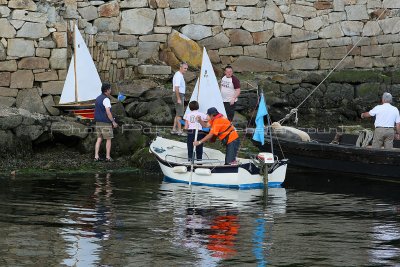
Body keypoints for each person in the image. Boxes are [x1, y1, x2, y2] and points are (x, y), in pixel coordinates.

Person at [94, 82, 118, 161]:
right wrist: (113, 122)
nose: (110, 90)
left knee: (99, 139)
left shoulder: (97, 98)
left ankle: (96, 156)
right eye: (110, 89)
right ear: (107, 90)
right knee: (108, 139)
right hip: (105, 123)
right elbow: (108, 112)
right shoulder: (106, 99)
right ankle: (108, 157)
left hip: (98, 122)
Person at [172, 62, 188, 136]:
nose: (186, 70)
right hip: (178, 95)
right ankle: (179, 131)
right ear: (180, 67)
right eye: (185, 68)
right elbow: (176, 88)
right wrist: (179, 98)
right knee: (180, 115)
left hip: (179, 95)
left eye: (187, 68)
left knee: (177, 113)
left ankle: (174, 129)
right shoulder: (178, 75)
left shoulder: (179, 74)